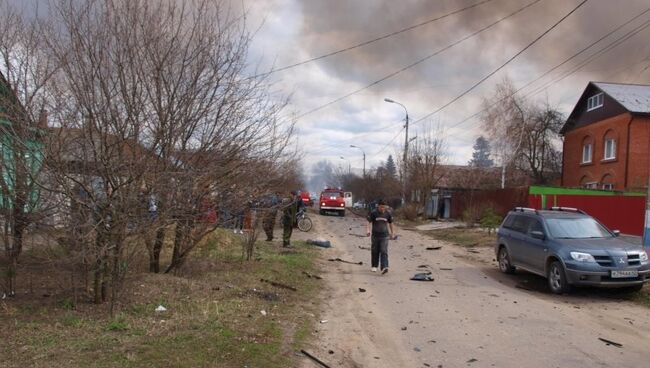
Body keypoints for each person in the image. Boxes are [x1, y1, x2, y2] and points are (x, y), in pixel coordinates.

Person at [366, 199, 395, 274]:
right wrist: (368, 230)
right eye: (381, 207)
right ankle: (374, 266)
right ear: (378, 206)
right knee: (375, 251)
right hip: (375, 235)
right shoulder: (373, 213)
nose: (383, 209)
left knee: (384, 251)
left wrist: (392, 233)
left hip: (385, 235)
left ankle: (384, 267)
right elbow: (368, 222)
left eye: (384, 207)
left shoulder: (388, 214)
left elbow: (391, 223)